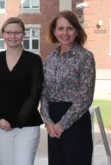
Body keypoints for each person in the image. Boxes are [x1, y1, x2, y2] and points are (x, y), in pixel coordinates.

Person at [0, 17, 44, 165]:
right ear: (3, 34)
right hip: (0, 125)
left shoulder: (34, 60)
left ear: (23, 34)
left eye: (17, 32)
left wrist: (16, 120)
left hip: (27, 125)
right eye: (9, 32)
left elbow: (34, 93)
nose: (13, 36)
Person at [40, 10, 96, 165]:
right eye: (60, 28)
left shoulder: (85, 57)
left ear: (76, 31)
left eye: (70, 28)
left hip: (75, 122)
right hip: (53, 123)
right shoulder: (50, 59)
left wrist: (61, 125)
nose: (65, 33)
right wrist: (48, 121)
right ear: (54, 31)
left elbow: (85, 97)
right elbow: (43, 93)